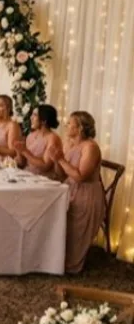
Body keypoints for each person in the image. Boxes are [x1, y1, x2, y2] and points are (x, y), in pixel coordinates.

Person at [57, 111, 106, 274]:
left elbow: (80, 176)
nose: (66, 125)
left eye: (70, 123)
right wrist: (56, 159)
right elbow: (61, 174)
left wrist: (60, 159)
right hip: (69, 188)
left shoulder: (90, 147)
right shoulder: (70, 144)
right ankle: (54, 255)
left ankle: (70, 262)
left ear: (80, 128)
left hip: (86, 194)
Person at [14, 104, 63, 179]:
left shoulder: (52, 138)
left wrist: (25, 151)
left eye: (35, 115)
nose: (31, 117)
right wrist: (18, 151)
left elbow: (45, 166)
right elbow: (22, 163)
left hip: (43, 180)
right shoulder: (31, 135)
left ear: (44, 120)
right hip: (26, 176)